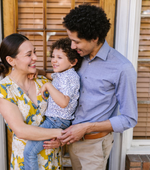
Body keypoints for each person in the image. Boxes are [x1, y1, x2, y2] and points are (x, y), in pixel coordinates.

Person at [57, 4, 138, 170]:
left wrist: (86, 127)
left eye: (76, 41)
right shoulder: (76, 58)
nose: (72, 46)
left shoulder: (122, 68)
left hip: (94, 145)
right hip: (71, 140)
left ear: (94, 37)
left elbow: (129, 118)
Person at [0, 33, 63, 170]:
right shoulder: (3, 90)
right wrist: (61, 134)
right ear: (11, 60)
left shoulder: (43, 82)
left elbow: (62, 113)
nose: (35, 58)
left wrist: (60, 141)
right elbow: (21, 130)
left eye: (34, 52)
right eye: (29, 54)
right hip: (25, 163)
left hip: (51, 160)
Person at [23, 37, 82, 170]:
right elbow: (50, 75)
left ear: (73, 62)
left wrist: (49, 86)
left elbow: (63, 102)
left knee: (29, 152)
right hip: (56, 121)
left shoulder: (69, 77)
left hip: (56, 121)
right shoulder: (62, 74)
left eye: (59, 57)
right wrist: (40, 72)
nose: (54, 60)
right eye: (53, 56)